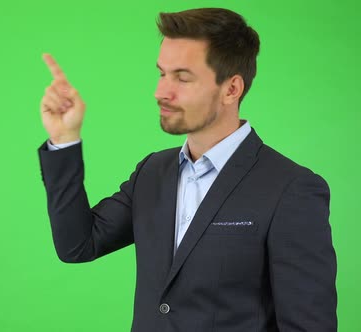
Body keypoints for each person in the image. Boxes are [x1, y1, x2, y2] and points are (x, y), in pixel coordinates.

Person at [37, 7, 337, 332]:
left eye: (182, 77)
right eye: (162, 73)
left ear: (231, 89)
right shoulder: (152, 172)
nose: (161, 92)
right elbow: (78, 246)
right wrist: (65, 139)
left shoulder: (292, 189)